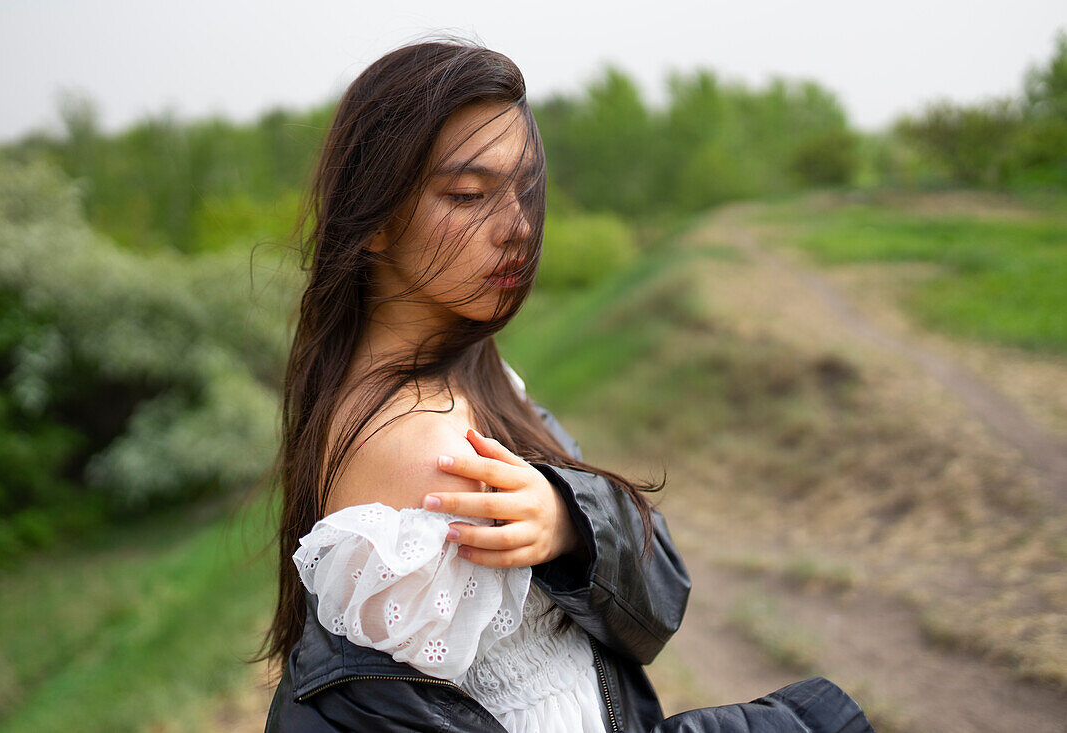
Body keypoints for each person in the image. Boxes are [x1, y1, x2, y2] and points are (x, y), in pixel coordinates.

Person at [257, 36, 875, 733]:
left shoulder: (474, 370)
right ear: (370, 220)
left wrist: (568, 522)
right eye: (467, 193)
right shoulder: (422, 446)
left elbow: (658, 590)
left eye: (523, 188)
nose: (517, 227)